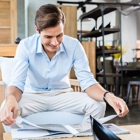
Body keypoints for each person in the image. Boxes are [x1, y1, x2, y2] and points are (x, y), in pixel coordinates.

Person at [0, 4, 129, 127]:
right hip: (33, 96)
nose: (55, 42)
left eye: (59, 35)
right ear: (37, 31)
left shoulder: (74, 46)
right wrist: (11, 98)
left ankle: (81, 135)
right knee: (6, 108)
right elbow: (17, 82)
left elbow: (88, 82)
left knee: (99, 105)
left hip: (63, 96)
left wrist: (109, 96)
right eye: (48, 37)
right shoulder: (25, 46)